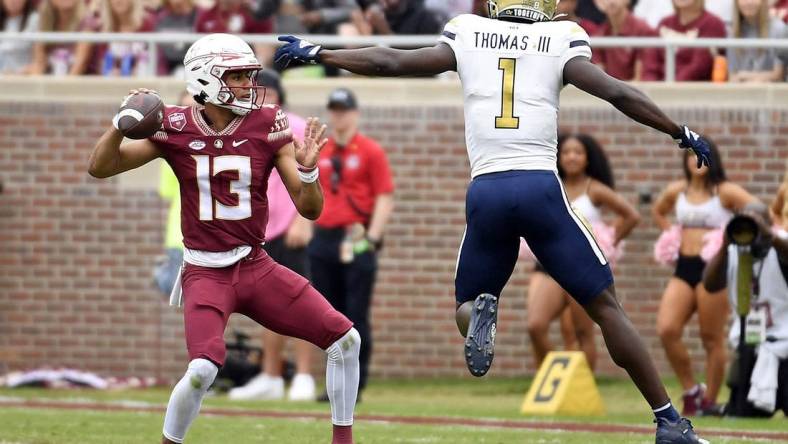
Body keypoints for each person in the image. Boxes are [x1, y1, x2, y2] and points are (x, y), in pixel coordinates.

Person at [274, 0, 717, 440]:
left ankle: (482, 313)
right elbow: (617, 92)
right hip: (540, 187)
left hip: (487, 190)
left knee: (466, 306)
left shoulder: (467, 32)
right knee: (605, 307)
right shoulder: (559, 36)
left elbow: (392, 61)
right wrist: (680, 131)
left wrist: (321, 53)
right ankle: (667, 420)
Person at [87, 33, 360, 444]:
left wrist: (307, 172)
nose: (248, 86)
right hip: (205, 272)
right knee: (202, 370)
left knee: (346, 340)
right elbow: (101, 167)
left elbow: (311, 209)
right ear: (206, 79)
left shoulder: (268, 123)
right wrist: (118, 124)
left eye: (249, 76)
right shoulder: (173, 125)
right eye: (236, 77)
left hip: (256, 265)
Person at [228, 69, 318, 402]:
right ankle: (271, 375)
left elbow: (313, 173)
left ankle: (305, 376)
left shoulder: (291, 125)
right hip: (262, 228)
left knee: (302, 301)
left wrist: (301, 220)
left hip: (290, 226)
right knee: (268, 306)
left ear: (276, 97)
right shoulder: (247, 128)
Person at [651, 144, 756, 416]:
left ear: (714, 160)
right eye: (691, 156)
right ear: (685, 161)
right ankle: (690, 390)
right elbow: (658, 210)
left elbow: (757, 209)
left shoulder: (725, 191)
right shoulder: (678, 190)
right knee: (667, 328)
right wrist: (671, 234)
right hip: (684, 267)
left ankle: (709, 400)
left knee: (711, 337)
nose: (697, 162)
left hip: (714, 268)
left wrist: (735, 235)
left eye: (702, 156)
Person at [308, 88, 395, 402]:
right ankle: (333, 384)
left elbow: (384, 195)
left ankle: (355, 385)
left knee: (356, 314)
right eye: (334, 110)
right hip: (325, 238)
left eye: (344, 110)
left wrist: (372, 237)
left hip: (355, 238)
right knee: (327, 316)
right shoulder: (323, 150)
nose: (339, 116)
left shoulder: (370, 151)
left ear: (355, 113)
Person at [526, 133, 640, 371]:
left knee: (582, 330)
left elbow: (631, 216)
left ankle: (583, 386)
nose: (571, 157)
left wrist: (609, 242)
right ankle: (553, 379)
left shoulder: (595, 189)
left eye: (578, 152)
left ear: (587, 159)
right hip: (547, 265)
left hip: (580, 265)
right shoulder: (549, 184)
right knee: (536, 326)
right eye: (566, 152)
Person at [703, 202, 788, 417]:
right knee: (743, 413)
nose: (750, 231)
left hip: (785, 347)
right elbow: (710, 284)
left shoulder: (780, 245)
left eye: (755, 224)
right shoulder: (734, 251)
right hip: (750, 346)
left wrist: (770, 235)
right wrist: (724, 245)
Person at [642, 0, 727, 81]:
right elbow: (650, 63)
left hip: (693, 91)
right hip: (659, 90)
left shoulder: (713, 24)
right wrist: (651, 87)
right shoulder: (664, 22)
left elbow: (699, 67)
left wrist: (670, 88)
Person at [591, 0, 658, 81]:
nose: (610, 2)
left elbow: (641, 80)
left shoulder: (643, 29)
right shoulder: (599, 35)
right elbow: (599, 81)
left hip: (636, 92)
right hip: (611, 91)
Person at [31, 0, 96, 75]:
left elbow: (79, 66)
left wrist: (60, 86)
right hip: (50, 81)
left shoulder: (87, 23)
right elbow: (39, 63)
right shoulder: (44, 21)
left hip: (78, 83)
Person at [728, 0, 787, 83]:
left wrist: (744, 75)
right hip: (741, 92)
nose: (748, 2)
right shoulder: (732, 33)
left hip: (770, 93)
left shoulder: (779, 29)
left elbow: (779, 75)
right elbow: (733, 76)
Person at [94, 0, 156, 77]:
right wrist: (111, 72)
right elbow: (101, 64)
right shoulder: (103, 28)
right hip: (113, 84)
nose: (118, 1)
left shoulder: (147, 23)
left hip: (142, 84)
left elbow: (154, 61)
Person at [0, 0, 39, 75]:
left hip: (22, 77)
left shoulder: (35, 20)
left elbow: (38, 61)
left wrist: (18, 73)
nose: (13, 1)